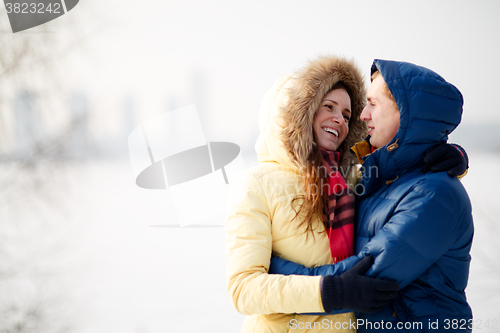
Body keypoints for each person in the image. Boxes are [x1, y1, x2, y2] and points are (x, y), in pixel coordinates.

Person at [225, 56, 468, 333]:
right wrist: (327, 291)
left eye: (347, 114)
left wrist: (451, 157)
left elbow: (404, 176)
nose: (339, 119)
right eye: (328, 106)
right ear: (299, 112)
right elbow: (243, 289)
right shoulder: (256, 185)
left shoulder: (352, 179)